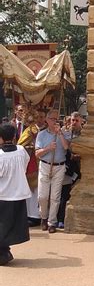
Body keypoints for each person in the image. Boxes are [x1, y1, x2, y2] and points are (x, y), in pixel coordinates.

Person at [35, 110, 71, 233]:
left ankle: (52, 222)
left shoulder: (64, 133)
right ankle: (43, 217)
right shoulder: (42, 134)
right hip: (45, 165)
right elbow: (37, 153)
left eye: (57, 119)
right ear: (47, 120)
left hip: (59, 166)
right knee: (43, 196)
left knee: (55, 196)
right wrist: (48, 148)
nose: (55, 121)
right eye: (52, 119)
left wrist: (60, 133)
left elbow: (66, 147)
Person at [0, 123, 31, 265]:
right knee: (12, 224)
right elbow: (24, 167)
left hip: (3, 195)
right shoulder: (21, 150)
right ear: (14, 136)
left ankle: (3, 252)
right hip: (18, 193)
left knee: (3, 225)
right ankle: (5, 251)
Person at [17, 108, 46, 227]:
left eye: (42, 117)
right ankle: (31, 215)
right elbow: (20, 145)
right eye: (38, 117)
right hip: (32, 164)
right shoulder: (29, 131)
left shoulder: (45, 131)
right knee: (31, 191)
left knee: (41, 192)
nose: (40, 120)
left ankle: (39, 215)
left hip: (43, 163)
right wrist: (30, 147)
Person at [57, 111, 83, 229]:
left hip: (80, 168)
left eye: (77, 121)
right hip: (67, 168)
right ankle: (60, 219)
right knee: (64, 193)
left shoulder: (84, 134)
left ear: (81, 121)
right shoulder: (65, 133)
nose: (74, 123)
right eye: (73, 120)